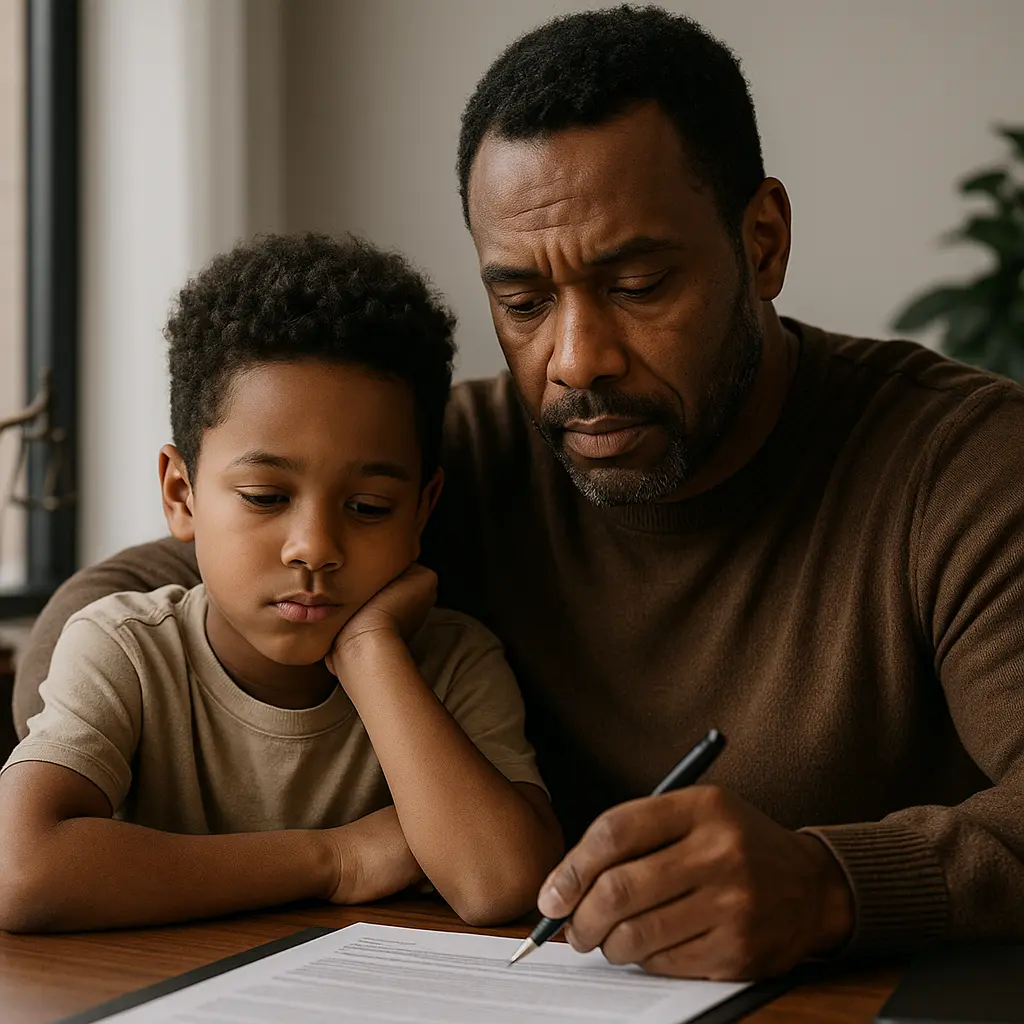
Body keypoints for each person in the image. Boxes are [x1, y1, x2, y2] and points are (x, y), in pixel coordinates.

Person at [12, 5, 1024, 980]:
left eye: (635, 285)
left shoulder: (962, 467)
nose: (575, 359)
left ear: (760, 242)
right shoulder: (460, 458)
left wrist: (834, 883)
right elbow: (142, 589)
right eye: (524, 300)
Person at [0, 233, 562, 933]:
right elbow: (22, 871)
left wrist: (369, 652)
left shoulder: (452, 662)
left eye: (368, 508)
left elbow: (503, 884)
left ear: (423, 510)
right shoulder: (125, 651)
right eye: (266, 497)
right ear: (181, 494)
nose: (315, 548)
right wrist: (331, 860)